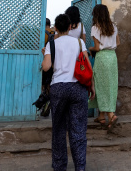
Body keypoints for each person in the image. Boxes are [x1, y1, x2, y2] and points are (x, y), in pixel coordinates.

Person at [41, 14, 94, 171]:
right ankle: (80, 167)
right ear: (71, 27)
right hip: (78, 88)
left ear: (56, 28)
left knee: (58, 130)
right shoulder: (79, 42)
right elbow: (87, 65)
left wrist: (45, 54)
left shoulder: (52, 44)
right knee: (78, 130)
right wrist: (91, 86)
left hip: (58, 88)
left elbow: (46, 67)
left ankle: (59, 167)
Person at [88, 4, 120, 131]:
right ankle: (101, 116)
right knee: (110, 85)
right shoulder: (113, 26)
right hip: (112, 57)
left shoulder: (95, 28)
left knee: (100, 85)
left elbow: (96, 48)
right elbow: (118, 43)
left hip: (102, 58)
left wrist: (90, 49)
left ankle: (111, 115)